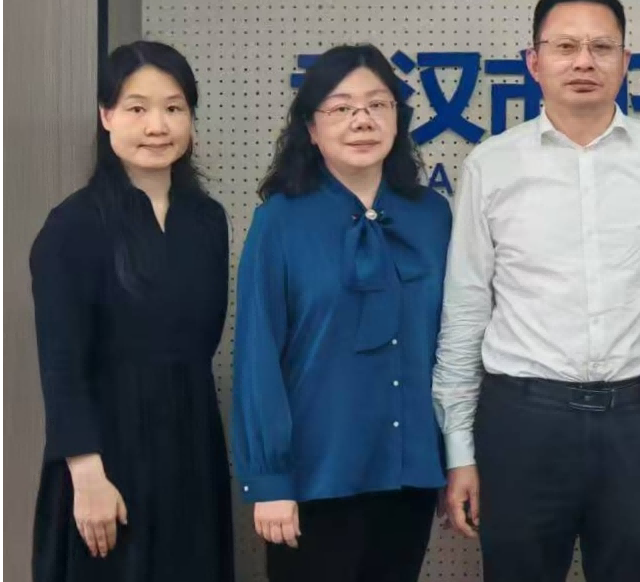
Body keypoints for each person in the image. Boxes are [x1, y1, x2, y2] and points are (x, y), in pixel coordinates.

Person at [433, 0, 640, 582]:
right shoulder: (492, 164)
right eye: (565, 47)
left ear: (625, 61)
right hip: (522, 423)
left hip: (639, 423)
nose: (584, 61)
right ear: (534, 62)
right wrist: (460, 449)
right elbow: (465, 311)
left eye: (601, 47)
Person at [232, 44, 452, 582]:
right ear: (311, 128)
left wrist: (457, 457)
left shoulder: (431, 216)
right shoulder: (280, 221)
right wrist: (270, 480)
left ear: (398, 118)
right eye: (341, 107)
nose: (362, 120)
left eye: (378, 104)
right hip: (316, 473)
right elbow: (258, 354)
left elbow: (452, 342)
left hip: (409, 470)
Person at [30, 40, 234, 582]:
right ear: (106, 116)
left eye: (174, 108)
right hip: (105, 454)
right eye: (137, 108)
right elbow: (61, 365)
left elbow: (202, 342)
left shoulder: (207, 220)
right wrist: (87, 475)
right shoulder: (73, 225)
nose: (157, 126)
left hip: (190, 443)